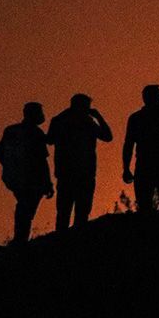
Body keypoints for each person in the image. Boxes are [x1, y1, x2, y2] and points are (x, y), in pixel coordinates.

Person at [45, 93, 113, 231]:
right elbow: (107, 136)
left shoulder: (61, 120)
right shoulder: (86, 122)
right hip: (80, 173)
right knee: (78, 212)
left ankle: (64, 241)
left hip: (72, 173)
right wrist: (98, 116)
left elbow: (49, 140)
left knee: (67, 211)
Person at [0, 102, 54, 243]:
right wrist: (48, 183)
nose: (42, 116)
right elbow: (41, 161)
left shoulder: (11, 130)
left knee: (23, 206)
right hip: (32, 179)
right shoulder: (36, 133)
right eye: (40, 113)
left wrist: (10, 167)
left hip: (14, 178)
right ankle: (20, 240)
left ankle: (20, 239)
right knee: (26, 208)